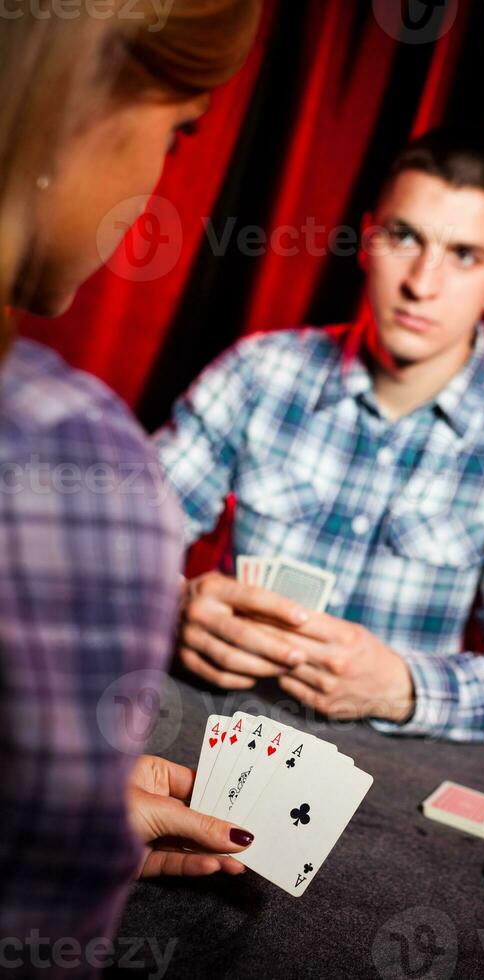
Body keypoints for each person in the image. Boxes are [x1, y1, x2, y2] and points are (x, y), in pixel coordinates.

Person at [0, 1, 307, 971]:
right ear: (85, 101)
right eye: (179, 133)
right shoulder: (78, 452)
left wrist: (410, 679)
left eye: (462, 253)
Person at [155, 128, 484, 748]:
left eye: (465, 255)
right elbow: (114, 538)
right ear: (367, 240)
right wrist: (175, 605)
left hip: (390, 785)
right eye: (405, 237)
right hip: (204, 735)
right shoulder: (259, 373)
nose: (422, 283)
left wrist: (406, 687)